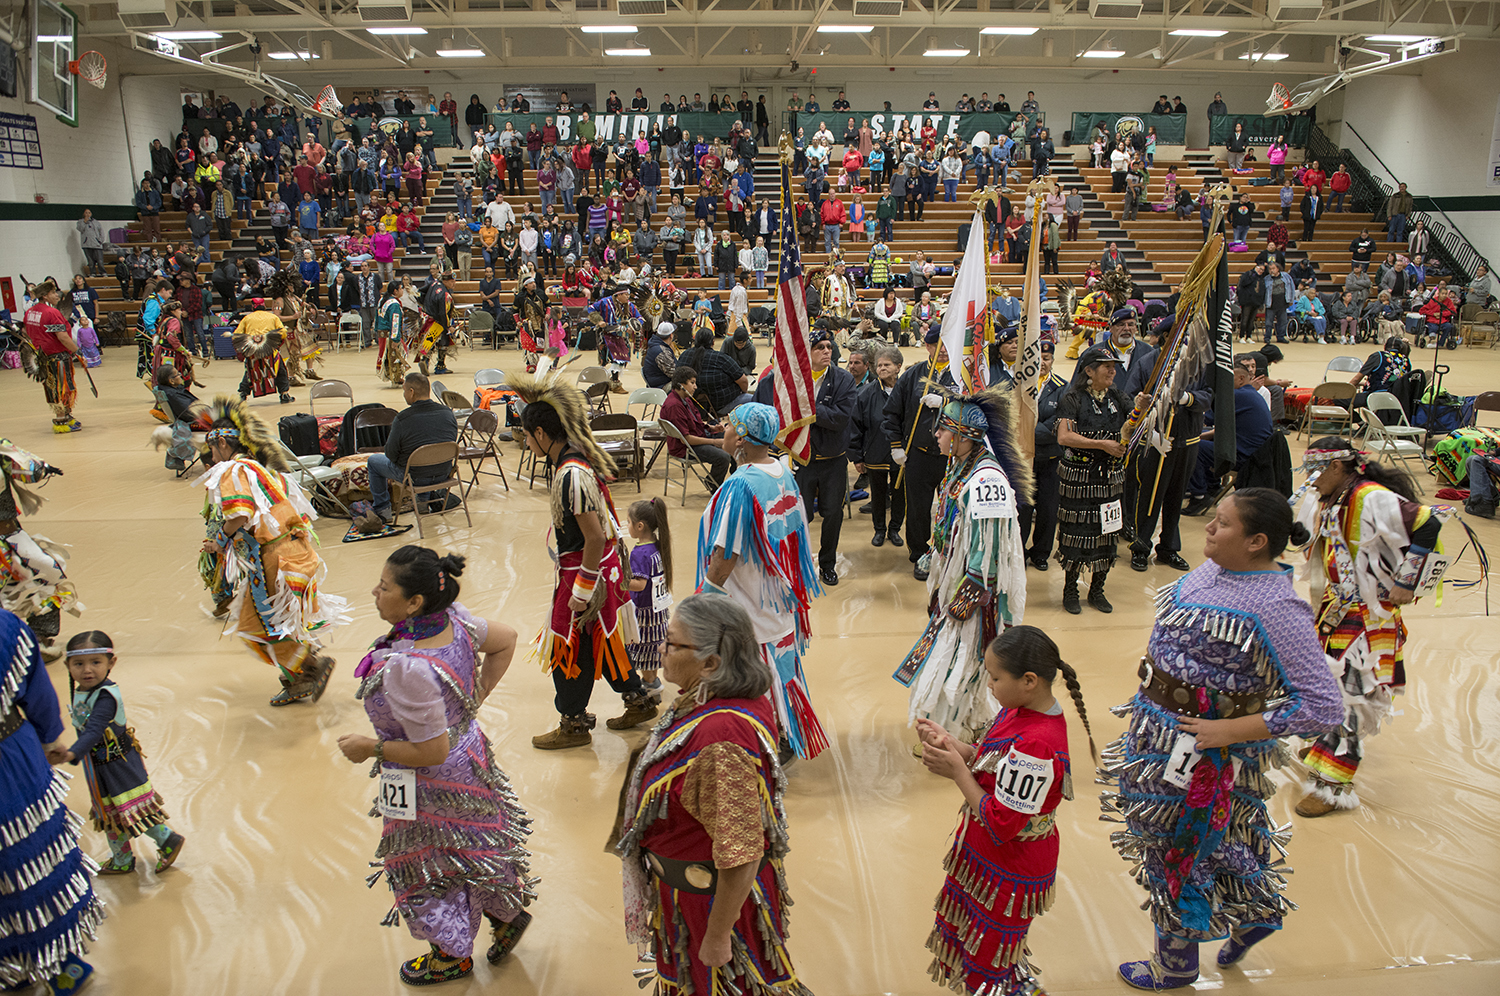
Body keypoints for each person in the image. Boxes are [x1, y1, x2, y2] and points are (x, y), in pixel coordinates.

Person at [1102, 489, 1342, 988]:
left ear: (1256, 542)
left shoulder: (1277, 606)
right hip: (1159, 734)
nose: (1210, 528)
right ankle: (1256, 912)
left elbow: (1323, 705)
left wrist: (1230, 730)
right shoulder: (1214, 568)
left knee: (1176, 846)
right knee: (1222, 839)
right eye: (1214, 519)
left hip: (1206, 753)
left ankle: (1175, 965)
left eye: (1223, 523)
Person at [336, 547, 535, 985]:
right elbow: (506, 639)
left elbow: (430, 752)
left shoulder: (409, 669)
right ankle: (507, 918)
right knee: (473, 847)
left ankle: (450, 954)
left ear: (414, 602)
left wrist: (370, 747)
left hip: (432, 781)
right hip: (472, 760)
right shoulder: (455, 621)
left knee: (424, 861)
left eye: (385, 587)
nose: (375, 591)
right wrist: (470, 703)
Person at [614, 593, 811, 996]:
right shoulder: (713, 701)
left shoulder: (721, 739)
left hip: (711, 908)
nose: (661, 651)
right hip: (689, 900)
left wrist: (719, 935)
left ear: (710, 663)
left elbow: (742, 852)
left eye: (672, 643)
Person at [918, 626, 1093, 996]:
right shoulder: (1018, 711)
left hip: (1008, 867)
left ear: (1029, 680)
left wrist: (956, 772)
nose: (990, 686)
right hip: (986, 858)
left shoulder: (1038, 744)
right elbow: (989, 761)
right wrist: (953, 746)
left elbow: (1002, 823)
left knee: (989, 960)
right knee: (975, 947)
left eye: (995, 678)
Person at [1291, 441, 1448, 817]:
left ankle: (1332, 785)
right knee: (1325, 686)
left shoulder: (1370, 497)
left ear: (1338, 467)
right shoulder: (1334, 498)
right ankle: (1322, 746)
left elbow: (1431, 520)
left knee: (1352, 699)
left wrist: (1406, 582)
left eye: (1317, 470)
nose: (1311, 480)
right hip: (1336, 610)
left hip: (1367, 617)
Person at [512, 371, 657, 749]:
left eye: (527, 437)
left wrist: (582, 587)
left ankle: (573, 723)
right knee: (601, 640)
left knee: (569, 644)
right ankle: (637, 699)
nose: (526, 444)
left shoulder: (571, 474)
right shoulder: (575, 459)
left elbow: (594, 535)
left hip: (586, 571)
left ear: (542, 434)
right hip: (600, 569)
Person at [894, 390, 1031, 741]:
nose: (935, 436)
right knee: (956, 658)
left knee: (964, 660)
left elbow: (991, 550)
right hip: (952, 584)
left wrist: (967, 594)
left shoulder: (986, 481)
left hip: (975, 597)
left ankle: (954, 733)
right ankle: (957, 727)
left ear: (961, 437)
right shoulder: (959, 468)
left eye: (942, 430)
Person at [697, 404, 826, 762]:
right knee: (779, 667)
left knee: (751, 671)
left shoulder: (741, 485)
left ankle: (762, 739)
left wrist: (705, 598)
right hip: (778, 598)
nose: (722, 431)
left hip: (749, 603)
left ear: (740, 437)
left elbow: (726, 553)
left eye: (727, 426)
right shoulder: (782, 471)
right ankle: (784, 733)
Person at [198, 399, 345, 706]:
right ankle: (298, 676)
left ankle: (308, 670)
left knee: (264, 621)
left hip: (272, 556)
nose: (211, 458)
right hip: (294, 548)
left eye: (211, 451)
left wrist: (220, 541)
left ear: (222, 442)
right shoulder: (260, 469)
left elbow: (239, 514)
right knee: (282, 618)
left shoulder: (234, 469)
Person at [0, 609, 105, 993]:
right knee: (28, 860)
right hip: (11, 762)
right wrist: (49, 738)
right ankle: (58, 964)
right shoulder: (6, 628)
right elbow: (37, 692)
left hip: (9, 760)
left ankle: (12, 968)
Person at [55, 630, 186, 876]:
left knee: (132, 808)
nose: (87, 670)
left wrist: (72, 753)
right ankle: (122, 858)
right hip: (99, 764)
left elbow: (94, 730)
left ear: (110, 663)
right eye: (79, 664)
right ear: (68, 665)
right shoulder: (82, 691)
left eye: (96, 662)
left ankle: (167, 840)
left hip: (119, 763)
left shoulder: (105, 696)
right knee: (109, 811)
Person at [753, 331, 856, 587]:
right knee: (798, 516)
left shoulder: (843, 380)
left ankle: (828, 564)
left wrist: (805, 407)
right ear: (805, 352)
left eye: (828, 346)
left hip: (833, 459)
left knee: (833, 514)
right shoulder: (784, 382)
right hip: (799, 460)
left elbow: (840, 418)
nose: (826, 351)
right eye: (819, 347)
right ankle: (798, 563)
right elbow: (766, 414)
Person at [1054, 346, 1129, 615]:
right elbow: (1064, 437)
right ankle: (1070, 588)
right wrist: (1101, 444)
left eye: (1114, 366)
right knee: (1075, 534)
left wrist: (1144, 410)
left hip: (1110, 478)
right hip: (1079, 477)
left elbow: (1135, 422)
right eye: (1106, 366)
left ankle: (1097, 589)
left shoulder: (1119, 397)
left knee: (1107, 533)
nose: (1112, 370)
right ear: (1089, 370)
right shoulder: (1072, 398)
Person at [883, 330, 962, 581]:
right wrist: (896, 446)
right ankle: (920, 554)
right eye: (937, 344)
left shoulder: (962, 374)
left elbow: (976, 408)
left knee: (952, 508)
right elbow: (892, 413)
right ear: (927, 346)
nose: (944, 349)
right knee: (917, 509)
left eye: (948, 344)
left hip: (953, 457)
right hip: (918, 455)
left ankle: (950, 552)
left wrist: (947, 403)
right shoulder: (912, 376)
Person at [0, 440, 78, 661]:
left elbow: (26, 469)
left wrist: (42, 469)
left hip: (9, 535)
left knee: (49, 571)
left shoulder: (1, 451)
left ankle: (39, 637)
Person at [367, 372, 459, 523]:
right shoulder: (448, 413)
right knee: (426, 459)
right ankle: (423, 504)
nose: (404, 395)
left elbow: (390, 454)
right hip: (444, 473)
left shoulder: (403, 418)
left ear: (411, 392)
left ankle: (383, 510)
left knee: (374, 461)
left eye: (404, 391)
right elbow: (448, 443)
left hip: (415, 477)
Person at [850, 346, 905, 548]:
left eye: (887, 365)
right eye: (879, 365)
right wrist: (857, 457)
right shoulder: (865, 394)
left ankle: (895, 529)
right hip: (875, 453)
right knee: (879, 495)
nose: (882, 368)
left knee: (900, 494)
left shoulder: (907, 392)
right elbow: (855, 427)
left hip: (902, 455)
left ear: (898, 367)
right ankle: (879, 530)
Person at [625, 498, 674, 703]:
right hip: (658, 610)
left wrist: (620, 580)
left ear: (639, 525)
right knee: (653, 645)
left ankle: (649, 684)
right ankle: (652, 679)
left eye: (628, 522)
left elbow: (640, 584)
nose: (626, 525)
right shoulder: (657, 546)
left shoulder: (640, 553)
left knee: (645, 646)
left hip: (644, 611)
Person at [21, 280, 83, 433]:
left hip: (42, 357)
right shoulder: (51, 313)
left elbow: (25, 332)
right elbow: (62, 337)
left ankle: (67, 416)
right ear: (45, 296)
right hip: (57, 356)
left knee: (52, 386)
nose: (57, 295)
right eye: (53, 293)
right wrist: (77, 351)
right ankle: (61, 420)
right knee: (61, 387)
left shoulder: (30, 313)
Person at [660, 367, 735, 491]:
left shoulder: (686, 399)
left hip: (698, 437)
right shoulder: (674, 406)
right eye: (692, 383)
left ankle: (735, 478)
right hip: (686, 447)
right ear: (681, 385)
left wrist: (712, 428)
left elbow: (695, 424)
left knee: (733, 440)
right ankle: (713, 486)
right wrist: (714, 442)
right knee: (723, 457)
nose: (695, 387)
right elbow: (686, 439)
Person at [230, 297, 293, 403]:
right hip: (270, 349)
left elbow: (236, 335)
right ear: (264, 306)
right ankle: (284, 394)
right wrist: (273, 339)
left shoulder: (247, 318)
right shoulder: (272, 317)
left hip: (253, 351)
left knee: (250, 372)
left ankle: (242, 394)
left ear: (253, 307)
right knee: (279, 370)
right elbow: (283, 332)